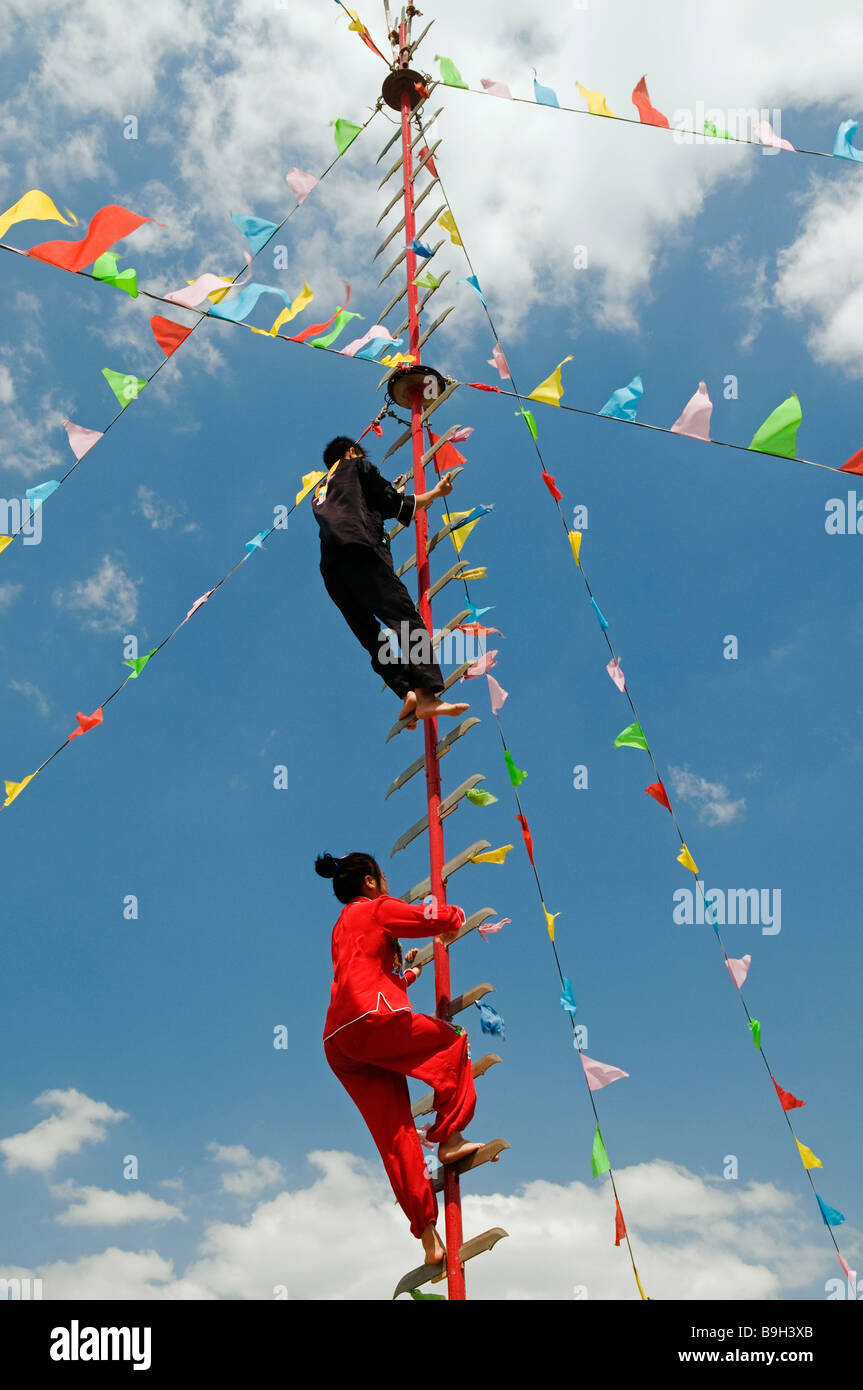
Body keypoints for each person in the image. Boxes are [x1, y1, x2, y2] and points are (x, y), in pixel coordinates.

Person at [318, 850, 487, 1267]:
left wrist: (406, 974)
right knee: (452, 1041)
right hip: (373, 1020)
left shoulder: (341, 926)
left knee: (395, 1134)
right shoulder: (377, 908)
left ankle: (429, 1239)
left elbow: (364, 973)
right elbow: (428, 919)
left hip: (341, 1040)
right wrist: (455, 917)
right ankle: (448, 1137)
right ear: (371, 882)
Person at [313, 437, 469, 728]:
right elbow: (394, 503)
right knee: (405, 619)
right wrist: (436, 491)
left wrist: (387, 499)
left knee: (373, 639)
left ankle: (407, 692)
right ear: (350, 452)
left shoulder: (322, 490)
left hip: (332, 570)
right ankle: (426, 695)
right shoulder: (356, 465)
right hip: (360, 550)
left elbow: (372, 506)